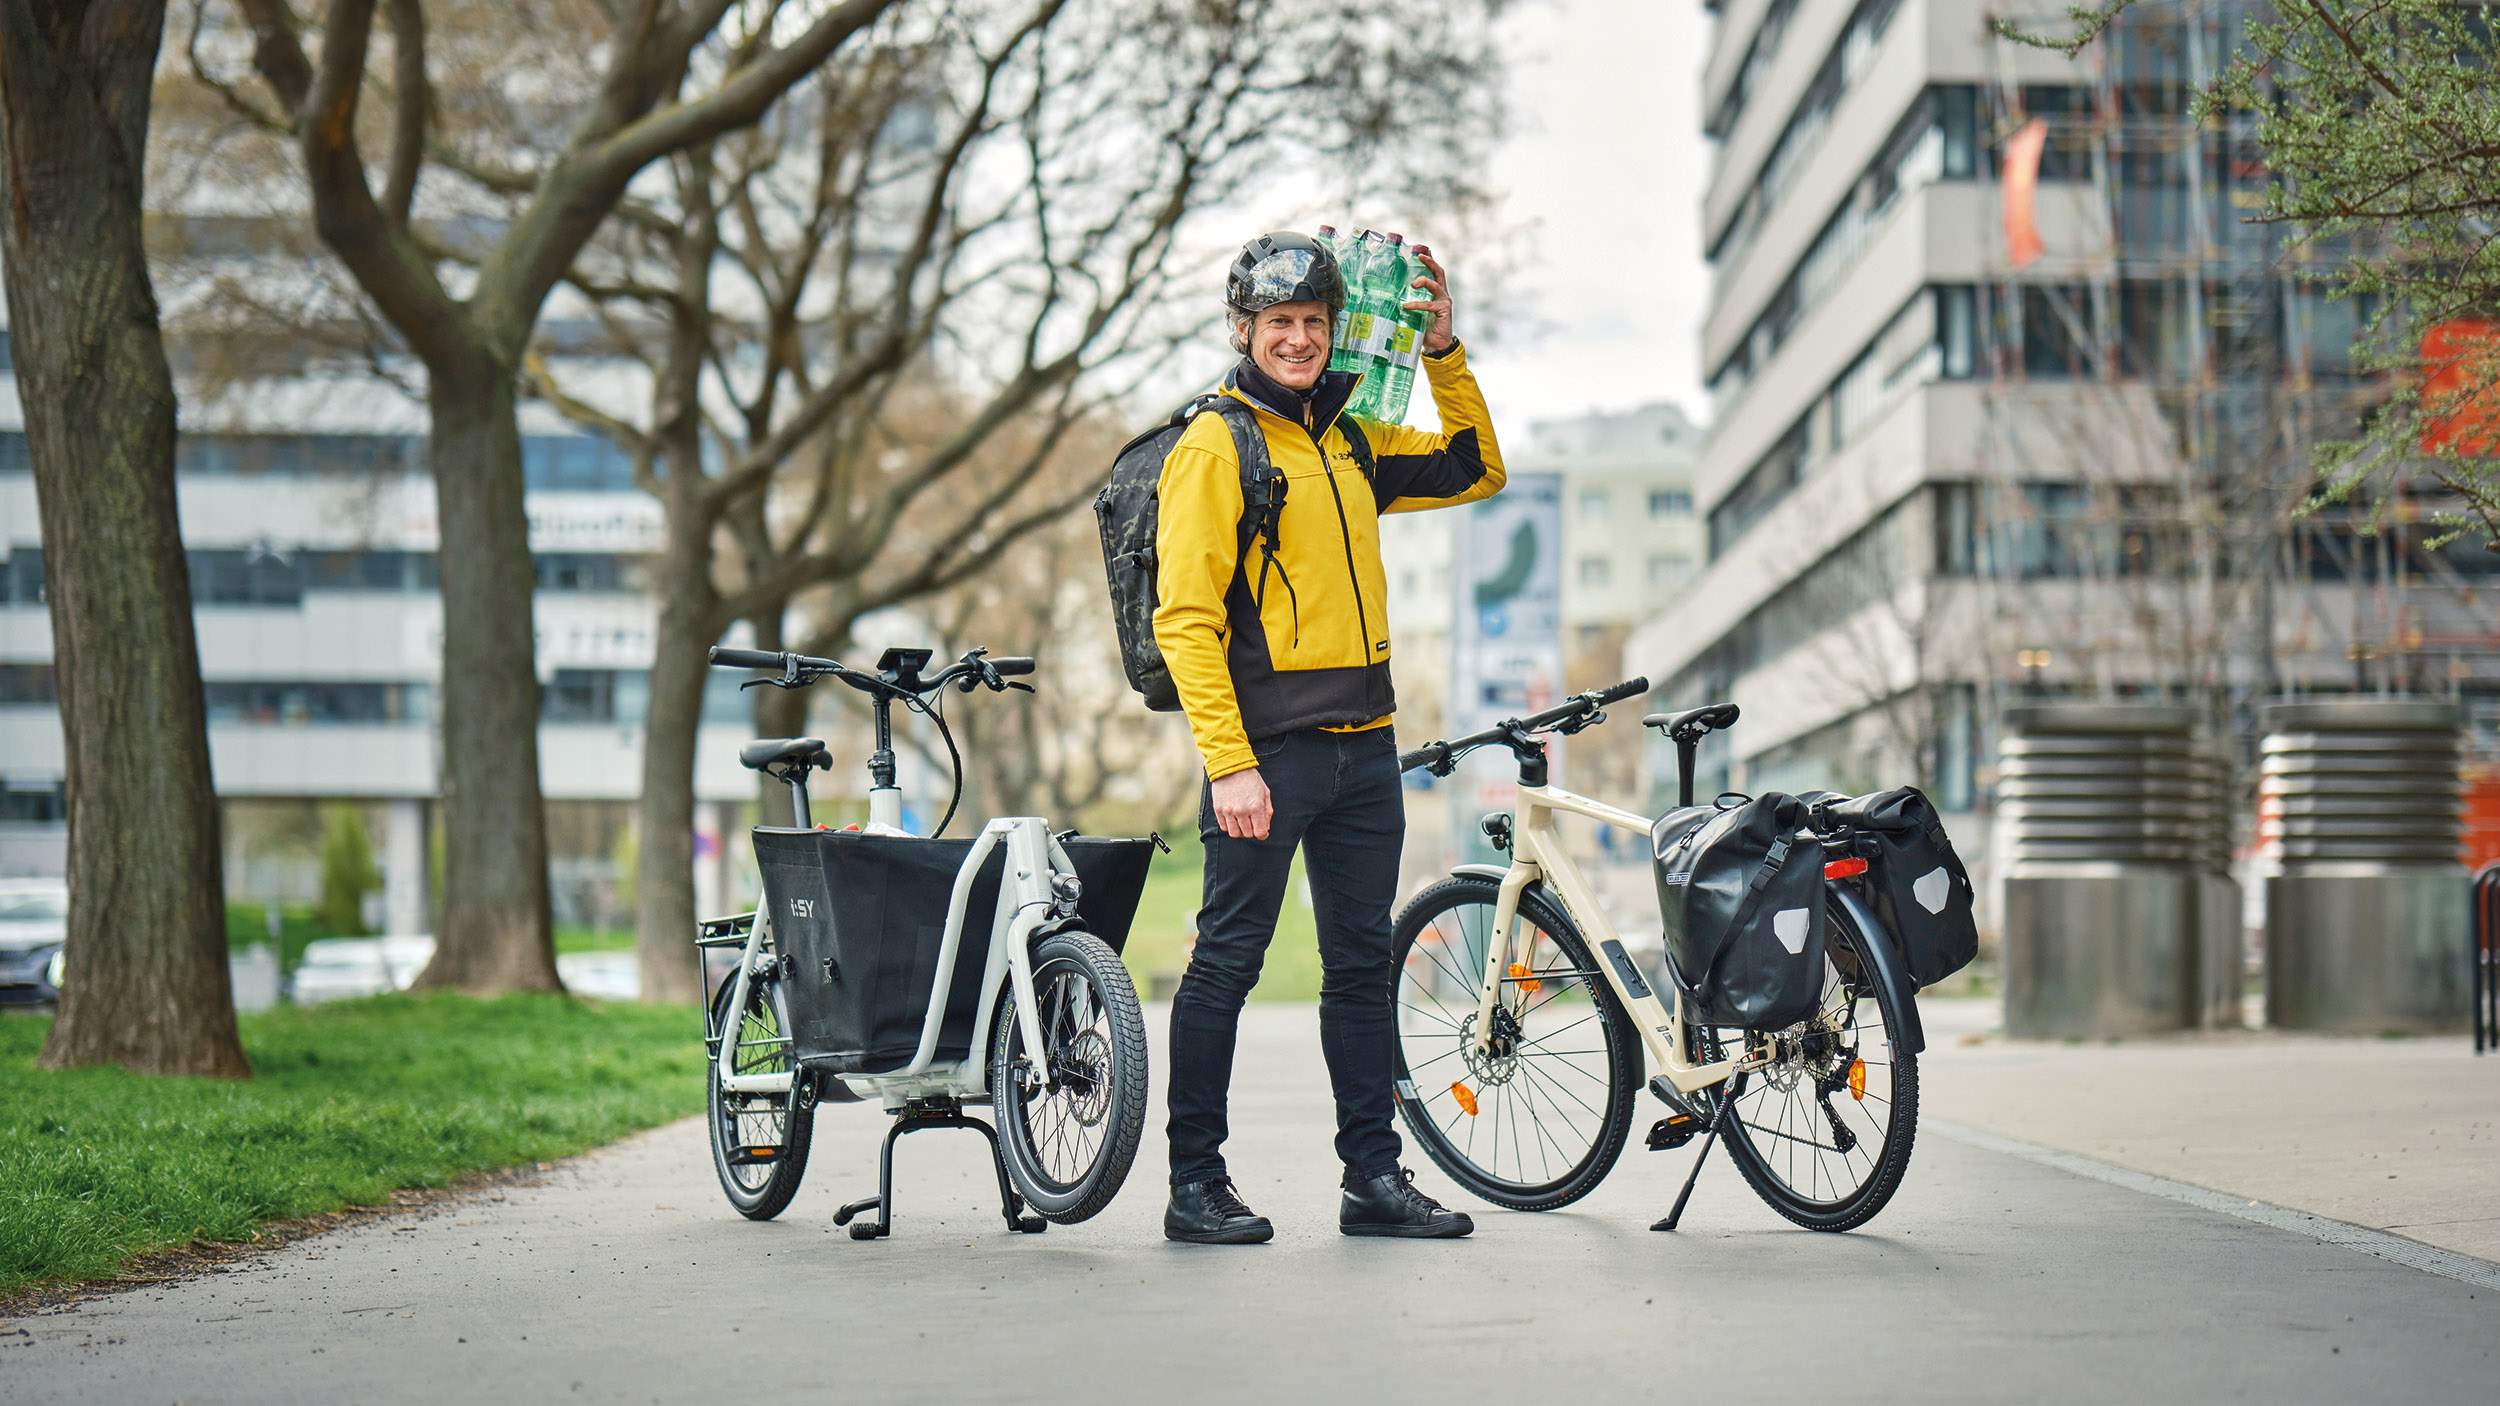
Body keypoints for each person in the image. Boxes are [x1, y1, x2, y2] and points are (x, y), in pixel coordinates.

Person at [1154, 230, 1506, 1243]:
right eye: (1280, 325)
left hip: (1365, 750)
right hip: (1267, 756)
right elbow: (1186, 620)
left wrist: (1442, 353)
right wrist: (1227, 760)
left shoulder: (1352, 434)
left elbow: (1475, 466)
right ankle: (1194, 1183)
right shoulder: (1216, 445)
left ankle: (1372, 1177)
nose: (1299, 340)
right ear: (1243, 330)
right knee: (1227, 962)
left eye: (1314, 322)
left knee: (1359, 966)